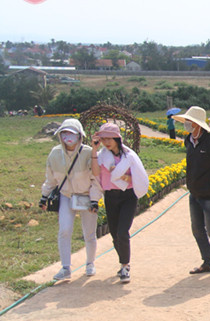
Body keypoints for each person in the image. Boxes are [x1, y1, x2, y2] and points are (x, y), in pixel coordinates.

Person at [173, 106, 210, 274]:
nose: (186, 124)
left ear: (197, 124)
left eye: (189, 121)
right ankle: (208, 262)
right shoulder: (188, 141)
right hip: (195, 193)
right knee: (197, 229)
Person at [40, 118, 102, 281]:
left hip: (86, 196)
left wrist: (94, 200)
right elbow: (50, 178)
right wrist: (44, 196)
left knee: (89, 232)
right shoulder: (55, 154)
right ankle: (65, 267)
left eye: (72, 133)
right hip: (66, 196)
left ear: (79, 135)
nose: (68, 137)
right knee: (64, 230)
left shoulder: (89, 153)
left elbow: (96, 179)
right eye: (65, 133)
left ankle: (90, 263)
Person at [91, 123, 149, 283]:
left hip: (128, 196)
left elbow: (138, 177)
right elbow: (95, 173)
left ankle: (125, 266)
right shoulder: (101, 156)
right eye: (103, 139)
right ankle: (123, 261)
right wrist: (94, 150)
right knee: (114, 233)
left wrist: (121, 176)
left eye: (109, 138)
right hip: (111, 196)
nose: (106, 142)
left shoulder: (129, 156)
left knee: (123, 232)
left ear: (117, 138)